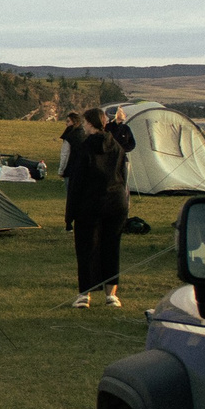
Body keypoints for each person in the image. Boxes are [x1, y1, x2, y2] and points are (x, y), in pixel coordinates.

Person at [66, 105, 135, 308]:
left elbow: (77, 183)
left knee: (87, 248)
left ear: (89, 124)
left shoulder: (84, 147)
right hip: (116, 202)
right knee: (111, 247)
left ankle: (85, 295)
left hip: (90, 204)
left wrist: (69, 215)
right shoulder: (116, 146)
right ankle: (111, 295)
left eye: (85, 123)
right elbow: (123, 176)